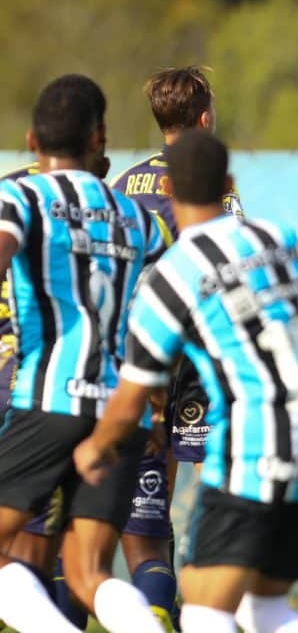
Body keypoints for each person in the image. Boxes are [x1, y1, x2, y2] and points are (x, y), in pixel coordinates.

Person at [73, 130, 298, 633]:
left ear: (169, 193)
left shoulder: (174, 272)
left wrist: (97, 447)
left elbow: (135, 390)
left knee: (202, 609)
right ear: (229, 184)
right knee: (262, 608)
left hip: (252, 452)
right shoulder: (287, 240)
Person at [0, 78, 168, 633]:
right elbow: (170, 306)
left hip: (47, 396)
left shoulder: (21, 197)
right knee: (88, 573)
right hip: (121, 410)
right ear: (100, 138)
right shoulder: (139, 218)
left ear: (30, 140)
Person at [111, 67, 245, 628]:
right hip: (199, 361)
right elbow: (234, 264)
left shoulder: (121, 183)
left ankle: (157, 611)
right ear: (205, 117)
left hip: (139, 361)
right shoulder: (216, 184)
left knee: (146, 519)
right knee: (221, 493)